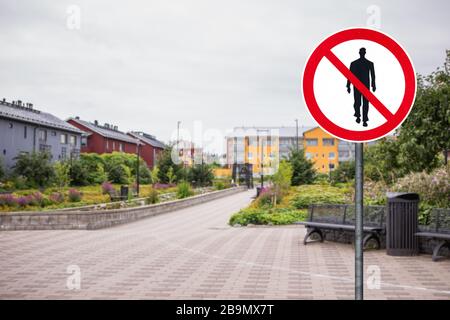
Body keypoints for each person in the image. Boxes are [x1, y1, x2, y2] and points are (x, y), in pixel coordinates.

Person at [346, 48, 376, 127]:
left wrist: (373, 85)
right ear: (360, 53)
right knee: (357, 102)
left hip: (365, 86)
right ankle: (358, 115)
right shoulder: (354, 63)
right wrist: (348, 85)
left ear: (364, 53)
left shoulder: (369, 63)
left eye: (363, 52)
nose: (362, 53)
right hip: (357, 86)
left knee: (364, 103)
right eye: (361, 52)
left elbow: (373, 75)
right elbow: (350, 75)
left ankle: (364, 119)